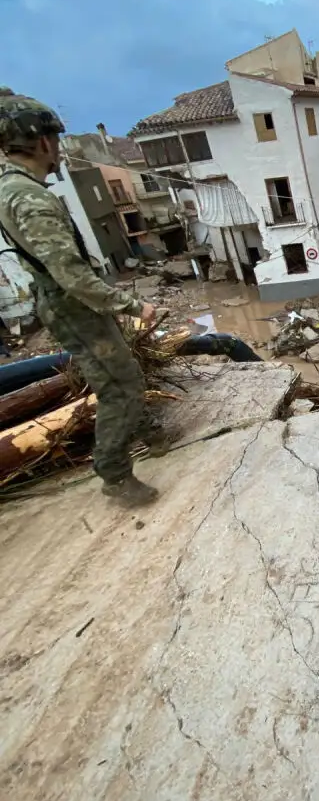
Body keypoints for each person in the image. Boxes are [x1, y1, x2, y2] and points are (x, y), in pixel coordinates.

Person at [0, 88, 160, 508]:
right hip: (74, 306)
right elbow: (69, 273)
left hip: (68, 304)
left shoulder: (11, 188)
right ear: (42, 142)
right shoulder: (29, 196)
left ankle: (149, 433)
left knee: (123, 373)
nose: (58, 149)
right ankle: (115, 476)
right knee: (119, 387)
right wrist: (131, 305)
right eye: (55, 139)